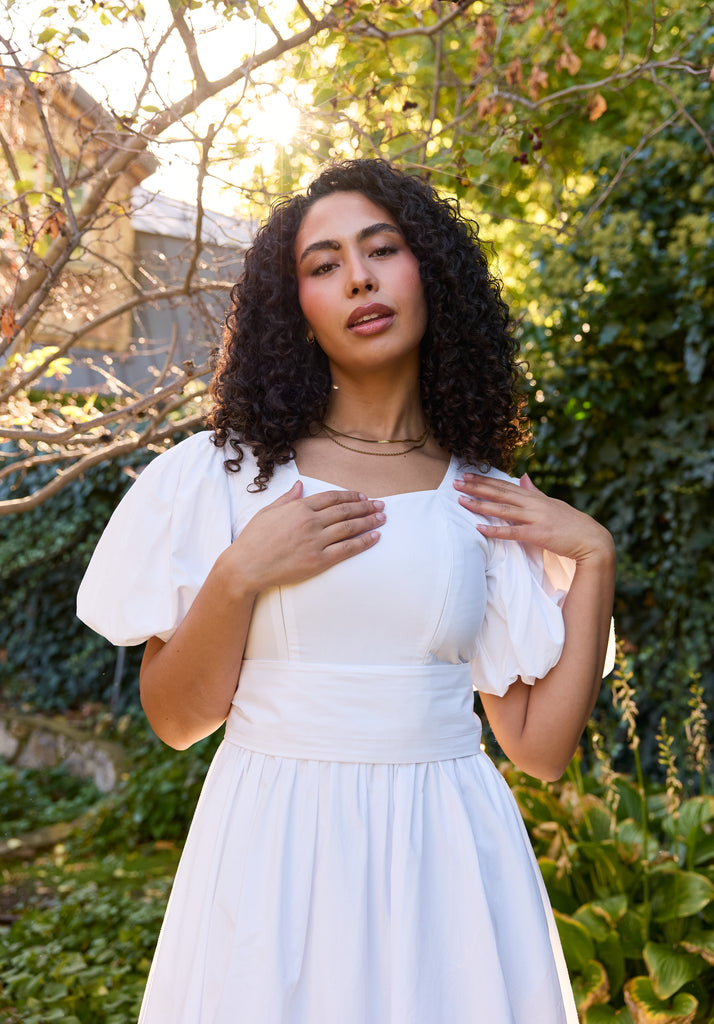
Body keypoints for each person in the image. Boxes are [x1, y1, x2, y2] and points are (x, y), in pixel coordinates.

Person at [77, 158, 616, 1024]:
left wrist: (594, 557)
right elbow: (176, 721)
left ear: (430, 272)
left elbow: (538, 749)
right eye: (323, 265)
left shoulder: (483, 496)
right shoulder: (227, 475)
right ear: (295, 308)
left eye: (381, 249)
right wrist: (240, 573)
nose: (359, 277)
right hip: (273, 856)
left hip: (447, 862)